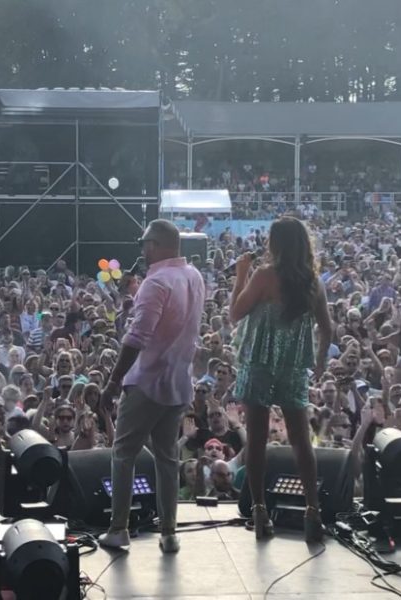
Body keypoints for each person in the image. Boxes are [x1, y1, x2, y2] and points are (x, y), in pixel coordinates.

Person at [98, 220, 206, 554]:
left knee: (123, 454)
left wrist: (113, 382)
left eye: (144, 244)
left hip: (147, 382)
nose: (142, 250)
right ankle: (169, 532)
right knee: (167, 458)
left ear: (156, 244)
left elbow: (137, 338)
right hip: (178, 382)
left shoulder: (156, 282)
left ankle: (119, 529)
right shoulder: (195, 276)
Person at [228, 216, 333, 542]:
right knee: (301, 440)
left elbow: (234, 313)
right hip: (292, 367)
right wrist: (319, 362)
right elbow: (327, 329)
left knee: (257, 440)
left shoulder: (263, 275)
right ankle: (313, 511)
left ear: (276, 244)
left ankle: (259, 510)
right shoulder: (313, 282)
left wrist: (241, 274)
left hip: (259, 363)